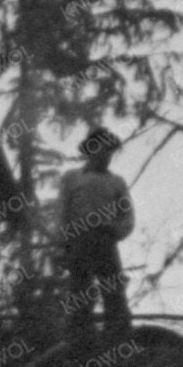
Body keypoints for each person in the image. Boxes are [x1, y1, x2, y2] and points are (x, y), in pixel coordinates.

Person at [49, 126, 136, 338]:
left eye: (110, 151)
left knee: (113, 288)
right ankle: (80, 335)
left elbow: (127, 216)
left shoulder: (116, 182)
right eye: (103, 149)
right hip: (79, 240)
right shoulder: (72, 178)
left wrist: (114, 229)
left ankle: (117, 335)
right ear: (91, 149)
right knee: (80, 288)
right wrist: (61, 245)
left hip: (105, 240)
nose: (106, 155)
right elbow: (62, 212)